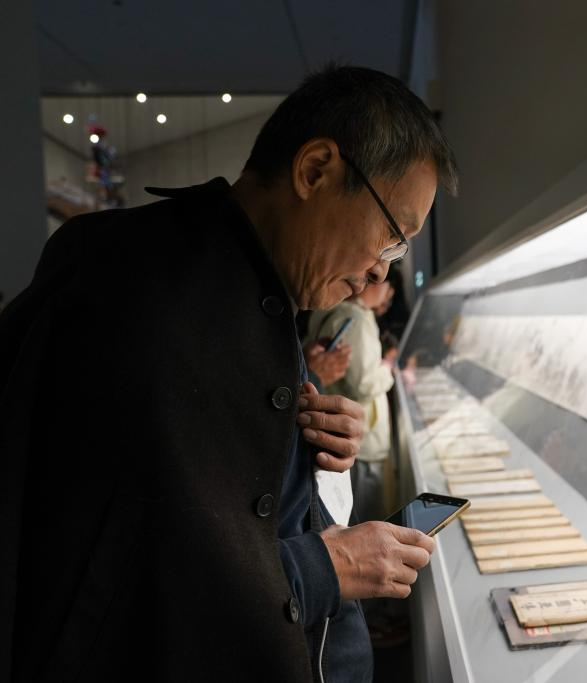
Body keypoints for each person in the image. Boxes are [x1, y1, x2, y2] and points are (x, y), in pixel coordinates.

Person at [0, 64, 457, 682]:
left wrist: (311, 444)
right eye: (393, 235)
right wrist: (329, 568)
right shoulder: (136, 288)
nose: (383, 270)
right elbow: (125, 575)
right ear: (315, 170)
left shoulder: (262, 287)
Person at [306, 277, 395, 525]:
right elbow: (362, 385)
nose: (388, 294)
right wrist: (388, 368)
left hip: (339, 434)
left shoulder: (333, 310)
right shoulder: (354, 318)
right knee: (363, 518)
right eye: (387, 285)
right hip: (357, 442)